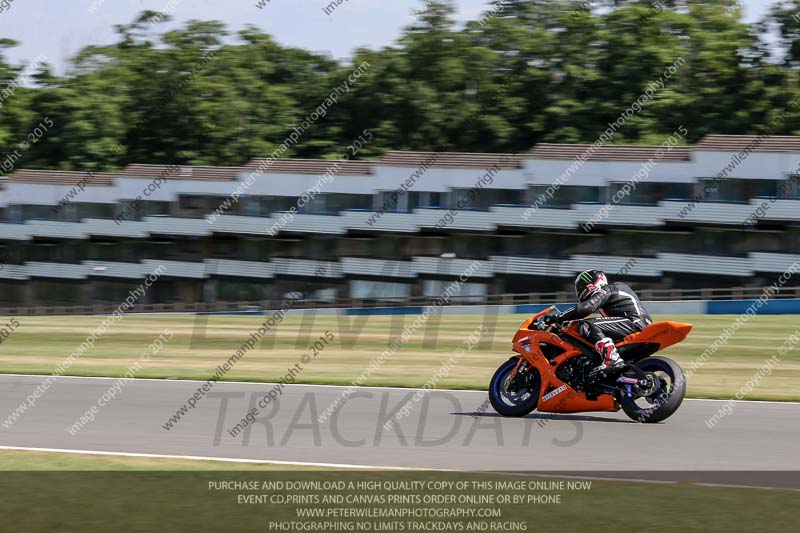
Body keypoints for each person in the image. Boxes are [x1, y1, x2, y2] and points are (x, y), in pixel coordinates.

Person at [544, 270, 653, 375]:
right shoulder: (612, 294)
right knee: (594, 330)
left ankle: (612, 359)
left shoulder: (608, 289)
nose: (579, 291)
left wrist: (559, 317)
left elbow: (585, 308)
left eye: (581, 287)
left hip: (634, 323)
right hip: (637, 325)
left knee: (587, 325)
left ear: (590, 284)